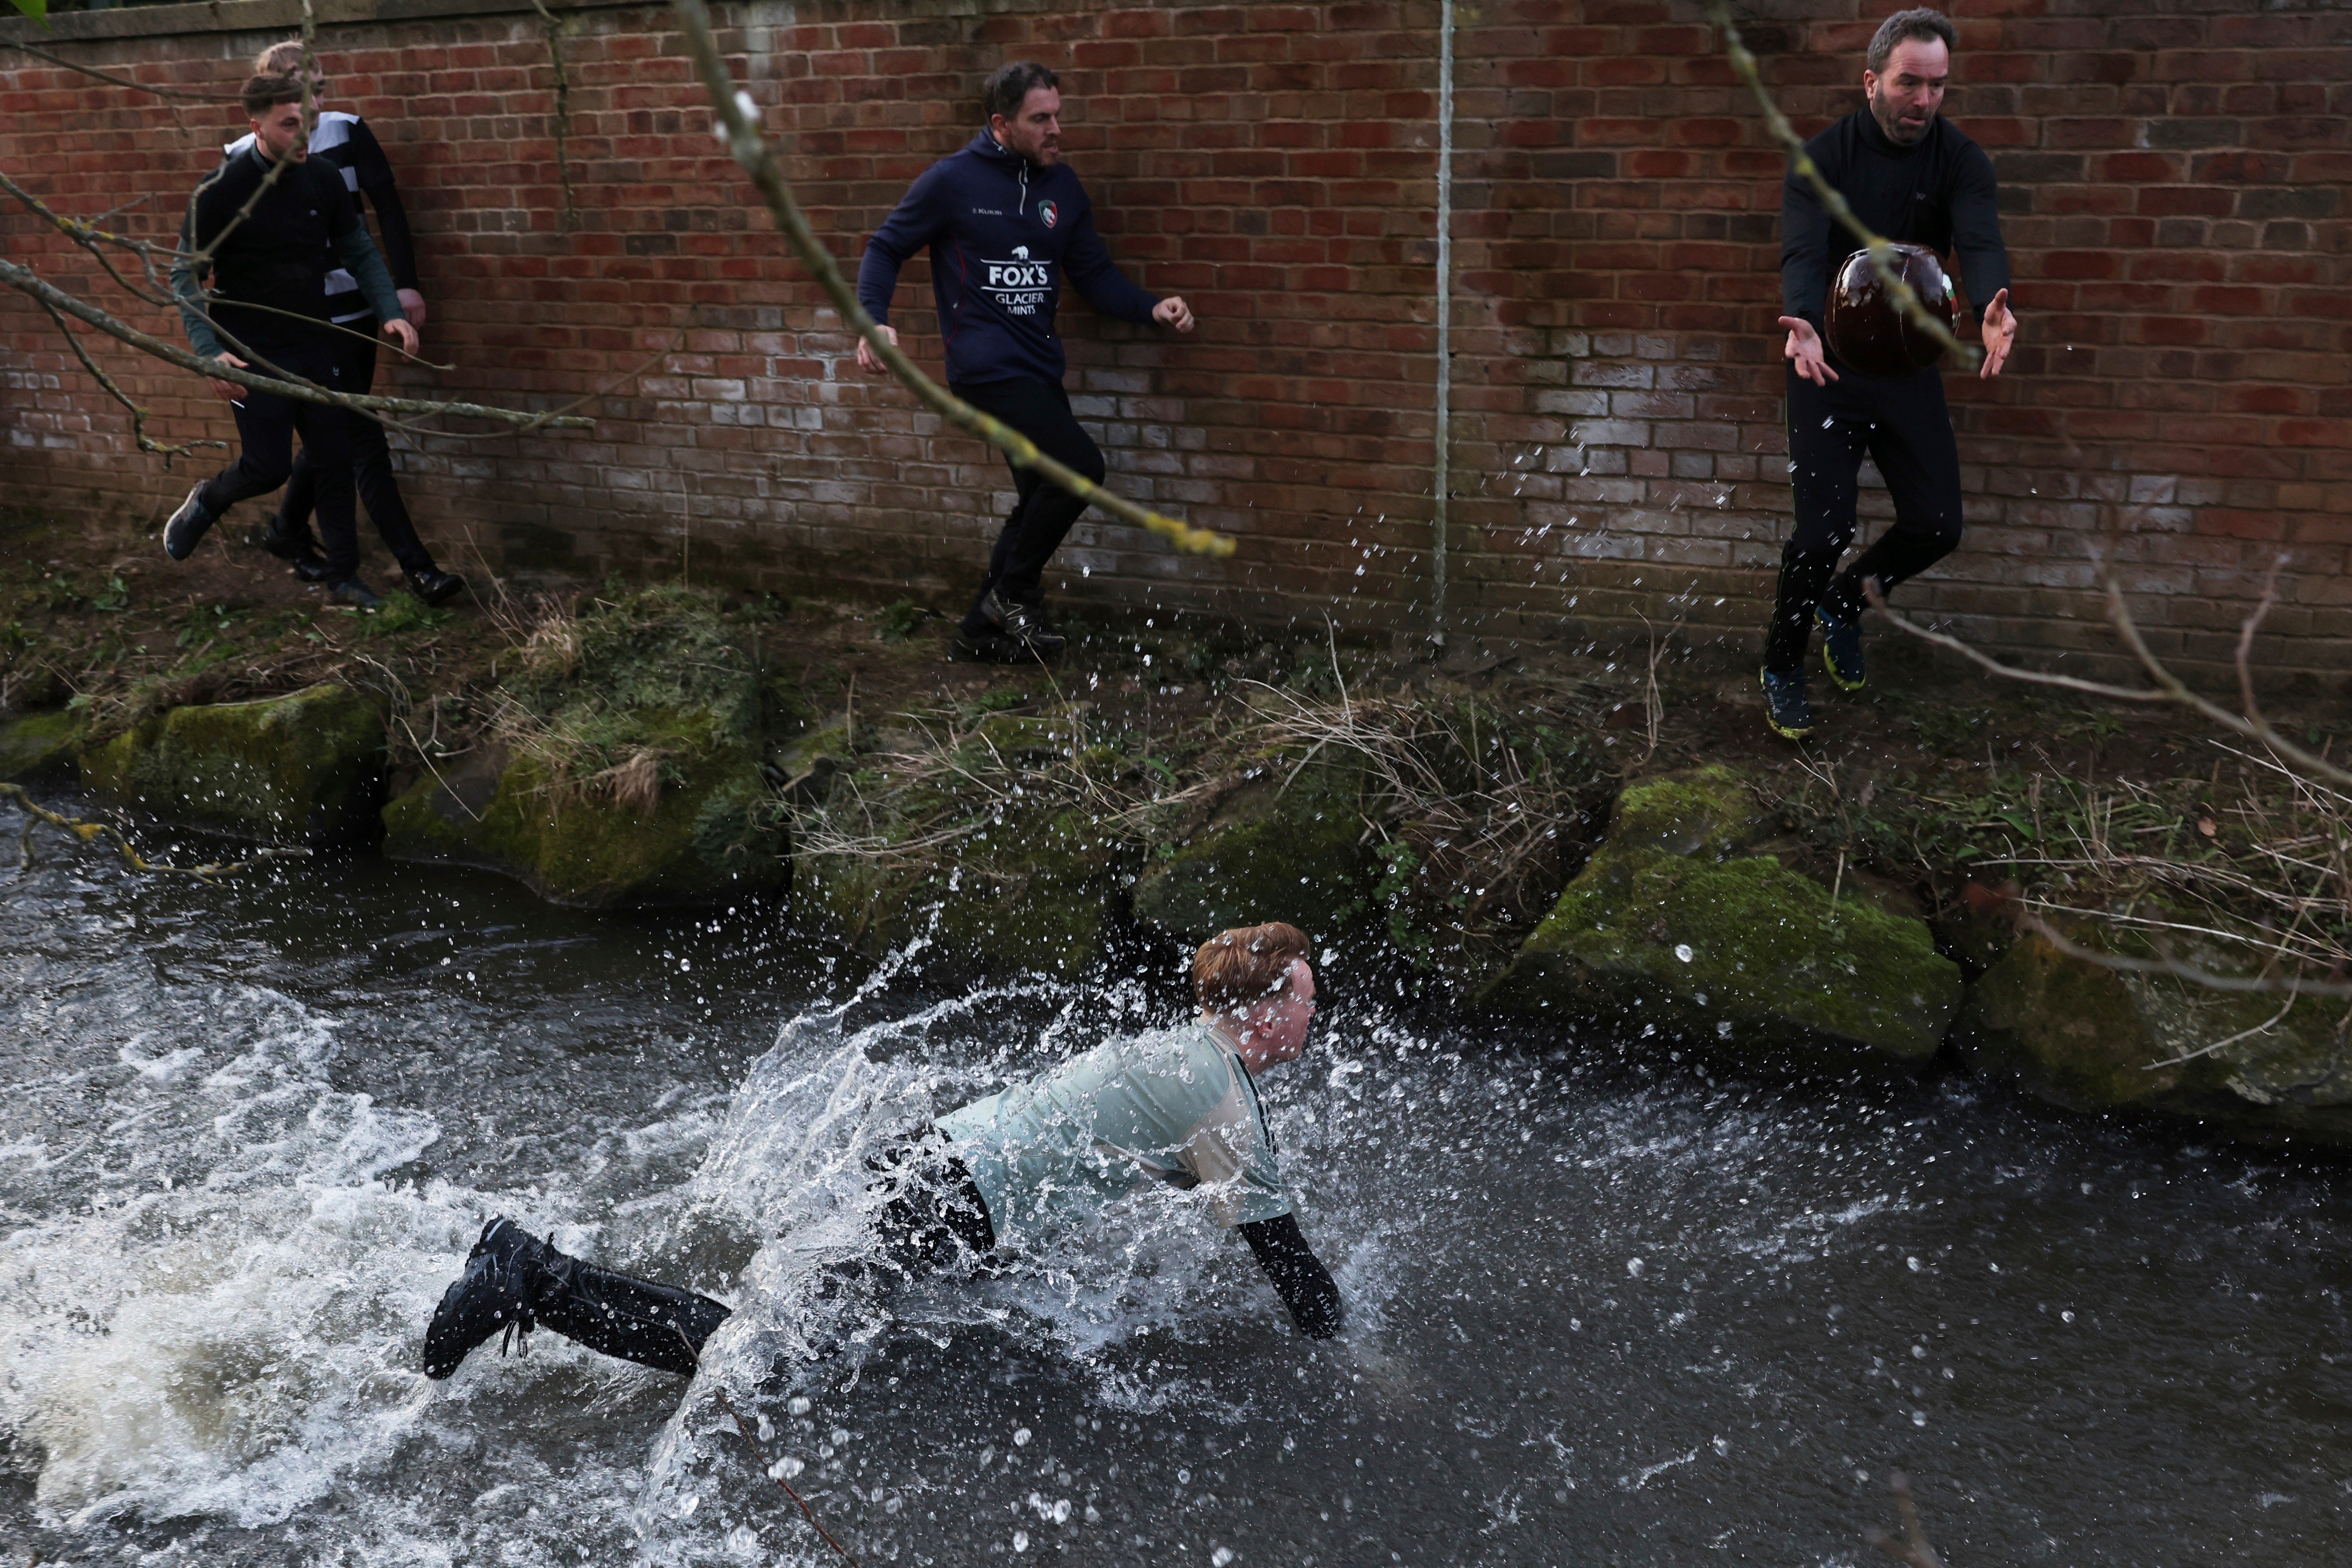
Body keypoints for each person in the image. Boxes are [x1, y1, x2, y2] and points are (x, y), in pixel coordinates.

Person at [422, 923, 1345, 1383]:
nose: (1315, 1007)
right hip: (947, 1198)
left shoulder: (1178, 1053)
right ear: (1266, 1007)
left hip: (927, 1162)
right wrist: (1364, 1364)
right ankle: (532, 1275)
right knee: (754, 1359)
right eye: (1306, 993)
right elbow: (1294, 1274)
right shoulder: (1217, 1093)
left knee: (819, 1323)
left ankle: (537, 1271)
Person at [853, 60, 1197, 664]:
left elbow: (1092, 275)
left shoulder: (1061, 189)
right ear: (1001, 124)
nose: (1055, 129)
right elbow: (884, 247)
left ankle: (979, 630)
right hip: (984, 370)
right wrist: (873, 319)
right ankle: (1012, 596)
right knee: (1079, 468)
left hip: (1038, 368)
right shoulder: (952, 182)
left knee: (1038, 495)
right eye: (1040, 119)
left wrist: (1152, 309)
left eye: (1057, 115)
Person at [1761, 7, 2017, 739]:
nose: (1923, 100)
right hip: (1823, 366)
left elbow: (1979, 238)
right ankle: (1780, 663)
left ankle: (1842, 605)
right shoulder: (1822, 159)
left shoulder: (1959, 161)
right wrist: (1800, 317)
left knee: (1936, 524)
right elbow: (1803, 251)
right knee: (1820, 533)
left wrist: (1991, 302)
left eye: (1937, 86)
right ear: (1870, 80)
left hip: (1907, 371)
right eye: (1909, 83)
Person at [164, 75, 421, 609]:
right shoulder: (220, 192)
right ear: (254, 126)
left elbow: (360, 250)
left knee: (336, 456)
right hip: (247, 352)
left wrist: (390, 312)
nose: (304, 133)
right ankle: (207, 500)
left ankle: (343, 580)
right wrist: (210, 353)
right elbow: (184, 278)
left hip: (314, 340)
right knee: (268, 467)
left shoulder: (322, 179)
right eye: (289, 123)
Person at [225, 39, 464, 606]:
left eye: (320, 86)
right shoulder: (239, 156)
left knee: (333, 429)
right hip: (302, 323)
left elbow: (388, 211)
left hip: (358, 311)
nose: (314, 100)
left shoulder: (347, 130)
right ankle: (419, 569)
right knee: (361, 435)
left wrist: (402, 286)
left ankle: (285, 532)